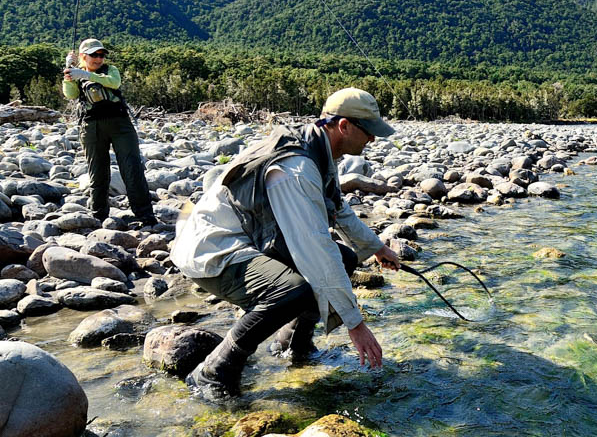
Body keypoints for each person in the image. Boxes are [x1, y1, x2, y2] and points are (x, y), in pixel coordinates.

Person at [170, 87, 402, 398]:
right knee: (293, 289)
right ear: (344, 126)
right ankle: (214, 371)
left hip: (246, 239)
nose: (372, 139)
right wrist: (355, 324)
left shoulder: (319, 148)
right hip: (213, 251)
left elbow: (338, 208)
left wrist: (377, 247)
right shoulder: (297, 170)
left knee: (345, 259)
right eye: (369, 130)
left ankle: (293, 345)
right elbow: (315, 251)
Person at [62, 39, 157, 227]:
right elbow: (70, 94)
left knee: (132, 169)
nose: (99, 59)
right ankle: (99, 216)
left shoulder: (110, 70)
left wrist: (84, 74)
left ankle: (145, 216)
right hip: (91, 126)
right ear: (83, 56)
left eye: (101, 55)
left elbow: (114, 83)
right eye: (94, 55)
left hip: (120, 124)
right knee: (97, 172)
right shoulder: (75, 72)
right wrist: (68, 72)